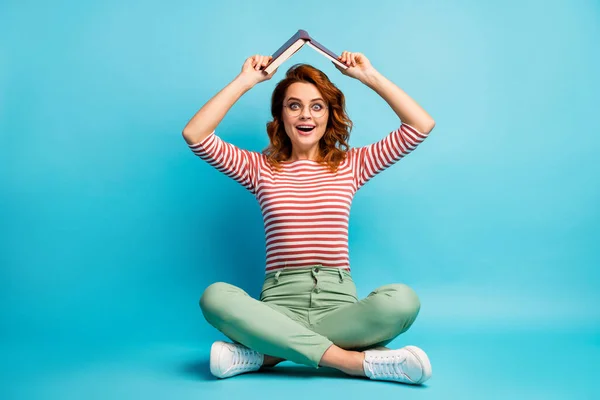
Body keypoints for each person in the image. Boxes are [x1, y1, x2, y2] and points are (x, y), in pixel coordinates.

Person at [182, 51, 436, 384]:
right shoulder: (259, 168)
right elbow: (195, 135)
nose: (306, 115)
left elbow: (420, 125)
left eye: (317, 106)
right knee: (215, 297)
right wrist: (246, 81)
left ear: (330, 115)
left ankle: (264, 354)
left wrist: (368, 76)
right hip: (277, 305)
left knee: (402, 301)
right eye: (294, 105)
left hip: (340, 306)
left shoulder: (351, 164)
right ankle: (353, 362)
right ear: (280, 115)